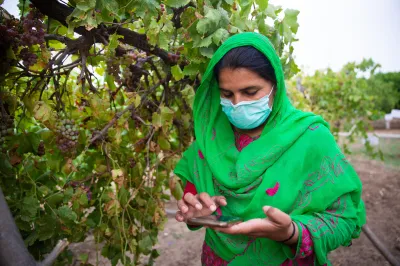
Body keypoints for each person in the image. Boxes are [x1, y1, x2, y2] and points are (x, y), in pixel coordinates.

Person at [173, 32, 366, 266]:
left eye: (250, 92)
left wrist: (291, 233)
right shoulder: (209, 142)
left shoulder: (310, 138)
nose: (237, 104)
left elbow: (345, 220)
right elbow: (194, 204)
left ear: (276, 85)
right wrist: (196, 215)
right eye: (227, 94)